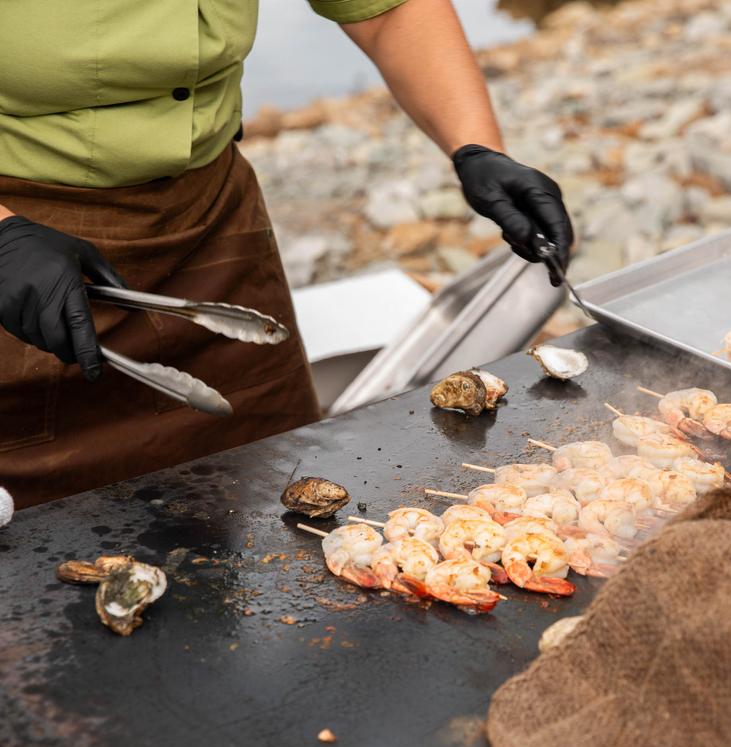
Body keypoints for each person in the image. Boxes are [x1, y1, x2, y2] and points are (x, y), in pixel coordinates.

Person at [0, 0, 573, 509]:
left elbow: (387, 10)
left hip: (213, 233)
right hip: (25, 261)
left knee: (272, 497)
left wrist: (475, 146)